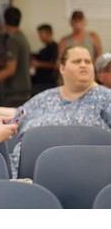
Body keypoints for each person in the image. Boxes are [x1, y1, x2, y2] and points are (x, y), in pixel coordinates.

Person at [10, 45, 111, 178]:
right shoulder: (43, 99)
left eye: (87, 62)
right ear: (62, 68)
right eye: (77, 61)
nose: (83, 65)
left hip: (90, 176)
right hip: (32, 178)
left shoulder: (106, 98)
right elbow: (15, 118)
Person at [30, 24, 59, 91]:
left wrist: (39, 64)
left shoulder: (55, 48)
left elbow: (55, 64)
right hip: (41, 83)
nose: (40, 36)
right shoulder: (44, 50)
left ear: (48, 33)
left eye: (41, 34)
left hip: (49, 83)